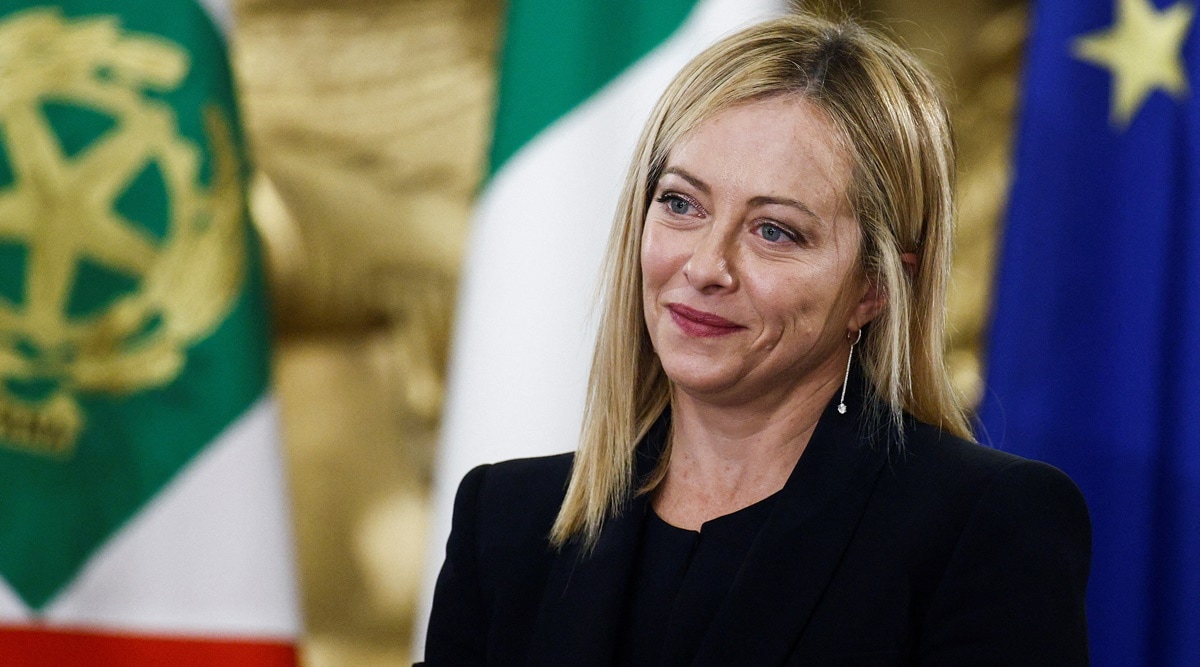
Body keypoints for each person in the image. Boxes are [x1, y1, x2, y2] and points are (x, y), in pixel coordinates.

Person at [421, 11, 1091, 666]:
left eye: (775, 230)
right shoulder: (505, 522)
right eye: (682, 204)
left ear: (875, 287)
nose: (707, 266)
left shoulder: (982, 527)